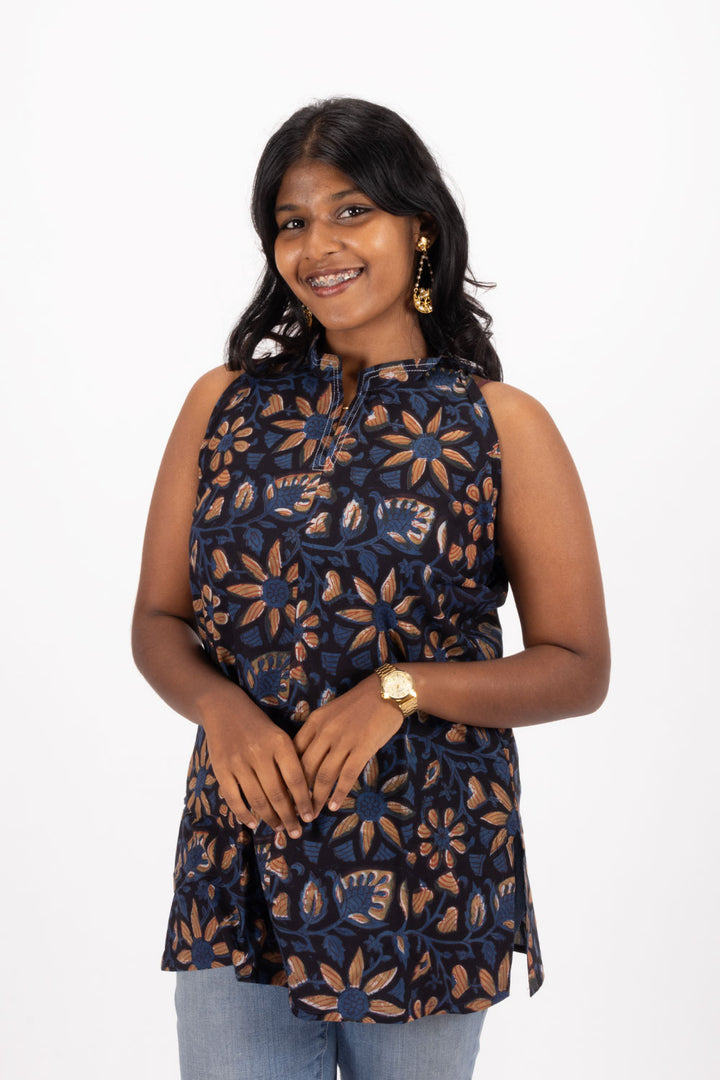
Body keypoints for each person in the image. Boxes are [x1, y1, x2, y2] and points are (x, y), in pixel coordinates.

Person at [131, 97, 610, 1080]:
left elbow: (577, 667)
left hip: (425, 876)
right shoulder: (224, 404)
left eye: (352, 211)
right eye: (292, 222)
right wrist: (221, 709)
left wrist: (400, 689)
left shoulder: (498, 424)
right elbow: (158, 618)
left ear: (418, 226)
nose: (319, 246)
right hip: (239, 865)